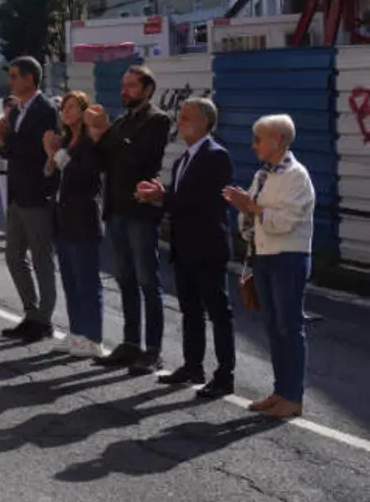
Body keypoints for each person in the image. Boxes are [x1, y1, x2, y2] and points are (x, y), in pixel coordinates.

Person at [135, 98, 236, 399]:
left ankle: (225, 374)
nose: (180, 122)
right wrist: (158, 197)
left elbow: (204, 202)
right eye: (180, 116)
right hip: (184, 246)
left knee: (218, 312)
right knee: (190, 310)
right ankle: (193, 365)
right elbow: (178, 201)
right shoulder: (182, 160)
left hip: (208, 246)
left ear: (205, 121)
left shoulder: (216, 156)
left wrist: (163, 197)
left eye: (187, 117)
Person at [223, 114, 315, 419]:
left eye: (258, 139)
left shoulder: (296, 176)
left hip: (288, 258)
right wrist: (245, 210)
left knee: (290, 327)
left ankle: (293, 396)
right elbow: (251, 222)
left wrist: (251, 208)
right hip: (263, 257)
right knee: (274, 328)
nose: (253, 146)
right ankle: (281, 390)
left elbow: (285, 223)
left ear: (277, 140)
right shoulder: (263, 175)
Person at [86, 65, 172, 374]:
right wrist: (96, 136)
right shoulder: (121, 122)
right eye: (123, 85)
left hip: (140, 212)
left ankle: (152, 349)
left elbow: (137, 157)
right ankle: (130, 342)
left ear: (147, 90)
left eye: (131, 86)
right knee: (125, 280)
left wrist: (105, 133)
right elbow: (101, 162)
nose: (124, 91)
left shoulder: (158, 120)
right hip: (117, 210)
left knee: (148, 281)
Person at [0, 57, 59, 343]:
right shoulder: (18, 111)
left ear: (30, 79)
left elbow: (39, 151)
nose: (11, 80)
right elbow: (10, 152)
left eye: (15, 75)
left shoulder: (46, 110)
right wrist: (3, 139)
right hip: (17, 194)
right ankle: (31, 312)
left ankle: (44, 319)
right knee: (13, 255)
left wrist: (7, 138)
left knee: (42, 258)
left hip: (37, 194)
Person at [43, 91, 104, 358]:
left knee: (87, 280)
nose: (65, 112)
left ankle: (94, 338)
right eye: (63, 108)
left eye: (71, 107)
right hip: (62, 217)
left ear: (84, 110)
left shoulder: (90, 141)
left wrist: (58, 157)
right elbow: (49, 173)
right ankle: (77, 332)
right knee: (69, 280)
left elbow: (89, 172)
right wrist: (51, 155)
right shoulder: (65, 140)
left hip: (83, 217)